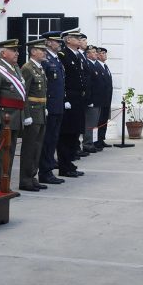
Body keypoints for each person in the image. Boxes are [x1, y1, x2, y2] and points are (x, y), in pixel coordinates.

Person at [0, 39, 25, 190]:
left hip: (14, 117)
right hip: (2, 117)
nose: (17, 53)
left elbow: (21, 94)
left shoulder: (15, 68)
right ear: (3, 53)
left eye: (17, 50)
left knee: (9, 152)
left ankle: (5, 183)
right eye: (13, 50)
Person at [19, 39, 48, 192]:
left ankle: (32, 176)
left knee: (37, 146)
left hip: (41, 111)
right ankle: (25, 180)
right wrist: (26, 114)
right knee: (29, 147)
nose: (44, 52)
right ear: (33, 52)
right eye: (41, 50)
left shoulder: (39, 68)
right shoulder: (27, 68)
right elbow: (23, 93)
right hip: (32, 111)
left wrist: (45, 107)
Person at [57, 28, 86, 178]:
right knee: (66, 134)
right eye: (76, 37)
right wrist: (65, 99)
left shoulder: (77, 55)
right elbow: (63, 79)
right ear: (68, 40)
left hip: (78, 99)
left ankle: (69, 163)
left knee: (74, 133)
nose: (79, 39)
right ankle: (64, 165)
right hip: (69, 98)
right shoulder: (63, 55)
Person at [38, 31, 65, 185]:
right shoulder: (45, 60)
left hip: (58, 105)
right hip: (49, 106)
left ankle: (48, 170)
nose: (59, 44)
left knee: (53, 140)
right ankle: (44, 172)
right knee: (47, 141)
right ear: (48, 42)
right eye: (56, 41)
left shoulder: (56, 59)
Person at [82, 45, 102, 153]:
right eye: (93, 52)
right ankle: (87, 143)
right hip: (92, 100)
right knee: (90, 124)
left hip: (97, 100)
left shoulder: (95, 65)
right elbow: (89, 84)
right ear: (88, 54)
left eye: (95, 52)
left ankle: (92, 142)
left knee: (94, 124)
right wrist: (89, 100)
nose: (96, 54)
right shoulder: (88, 65)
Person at [95, 46, 113, 149]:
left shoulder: (105, 67)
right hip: (100, 99)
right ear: (97, 55)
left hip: (107, 99)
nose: (104, 55)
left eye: (105, 53)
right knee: (98, 121)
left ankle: (101, 139)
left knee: (104, 121)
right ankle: (96, 141)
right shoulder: (97, 66)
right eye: (101, 53)